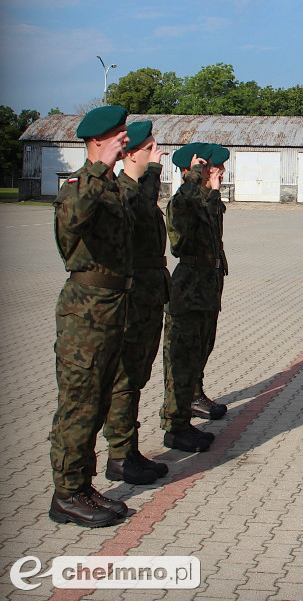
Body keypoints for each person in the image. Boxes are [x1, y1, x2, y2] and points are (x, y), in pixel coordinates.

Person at [48, 105, 133, 527]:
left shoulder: (112, 186)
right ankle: (65, 494)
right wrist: (99, 168)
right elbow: (71, 228)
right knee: (79, 402)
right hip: (85, 310)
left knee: (98, 400)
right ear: (96, 141)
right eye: (118, 134)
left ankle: (81, 485)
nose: (124, 140)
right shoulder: (81, 184)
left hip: (113, 306)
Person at [102, 120, 171, 486]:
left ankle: (127, 451)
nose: (157, 155)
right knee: (125, 378)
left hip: (147, 297)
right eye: (151, 150)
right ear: (130, 154)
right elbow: (142, 210)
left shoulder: (136, 191)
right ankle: (120, 455)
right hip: (132, 300)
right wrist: (155, 171)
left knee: (136, 376)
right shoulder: (126, 193)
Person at [161, 143, 229, 453]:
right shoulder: (181, 202)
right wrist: (195, 186)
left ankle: (194, 400)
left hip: (207, 287)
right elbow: (179, 243)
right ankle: (176, 425)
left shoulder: (206, 200)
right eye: (214, 168)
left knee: (202, 348)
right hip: (188, 289)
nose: (220, 172)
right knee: (181, 358)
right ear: (195, 171)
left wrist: (212, 191)